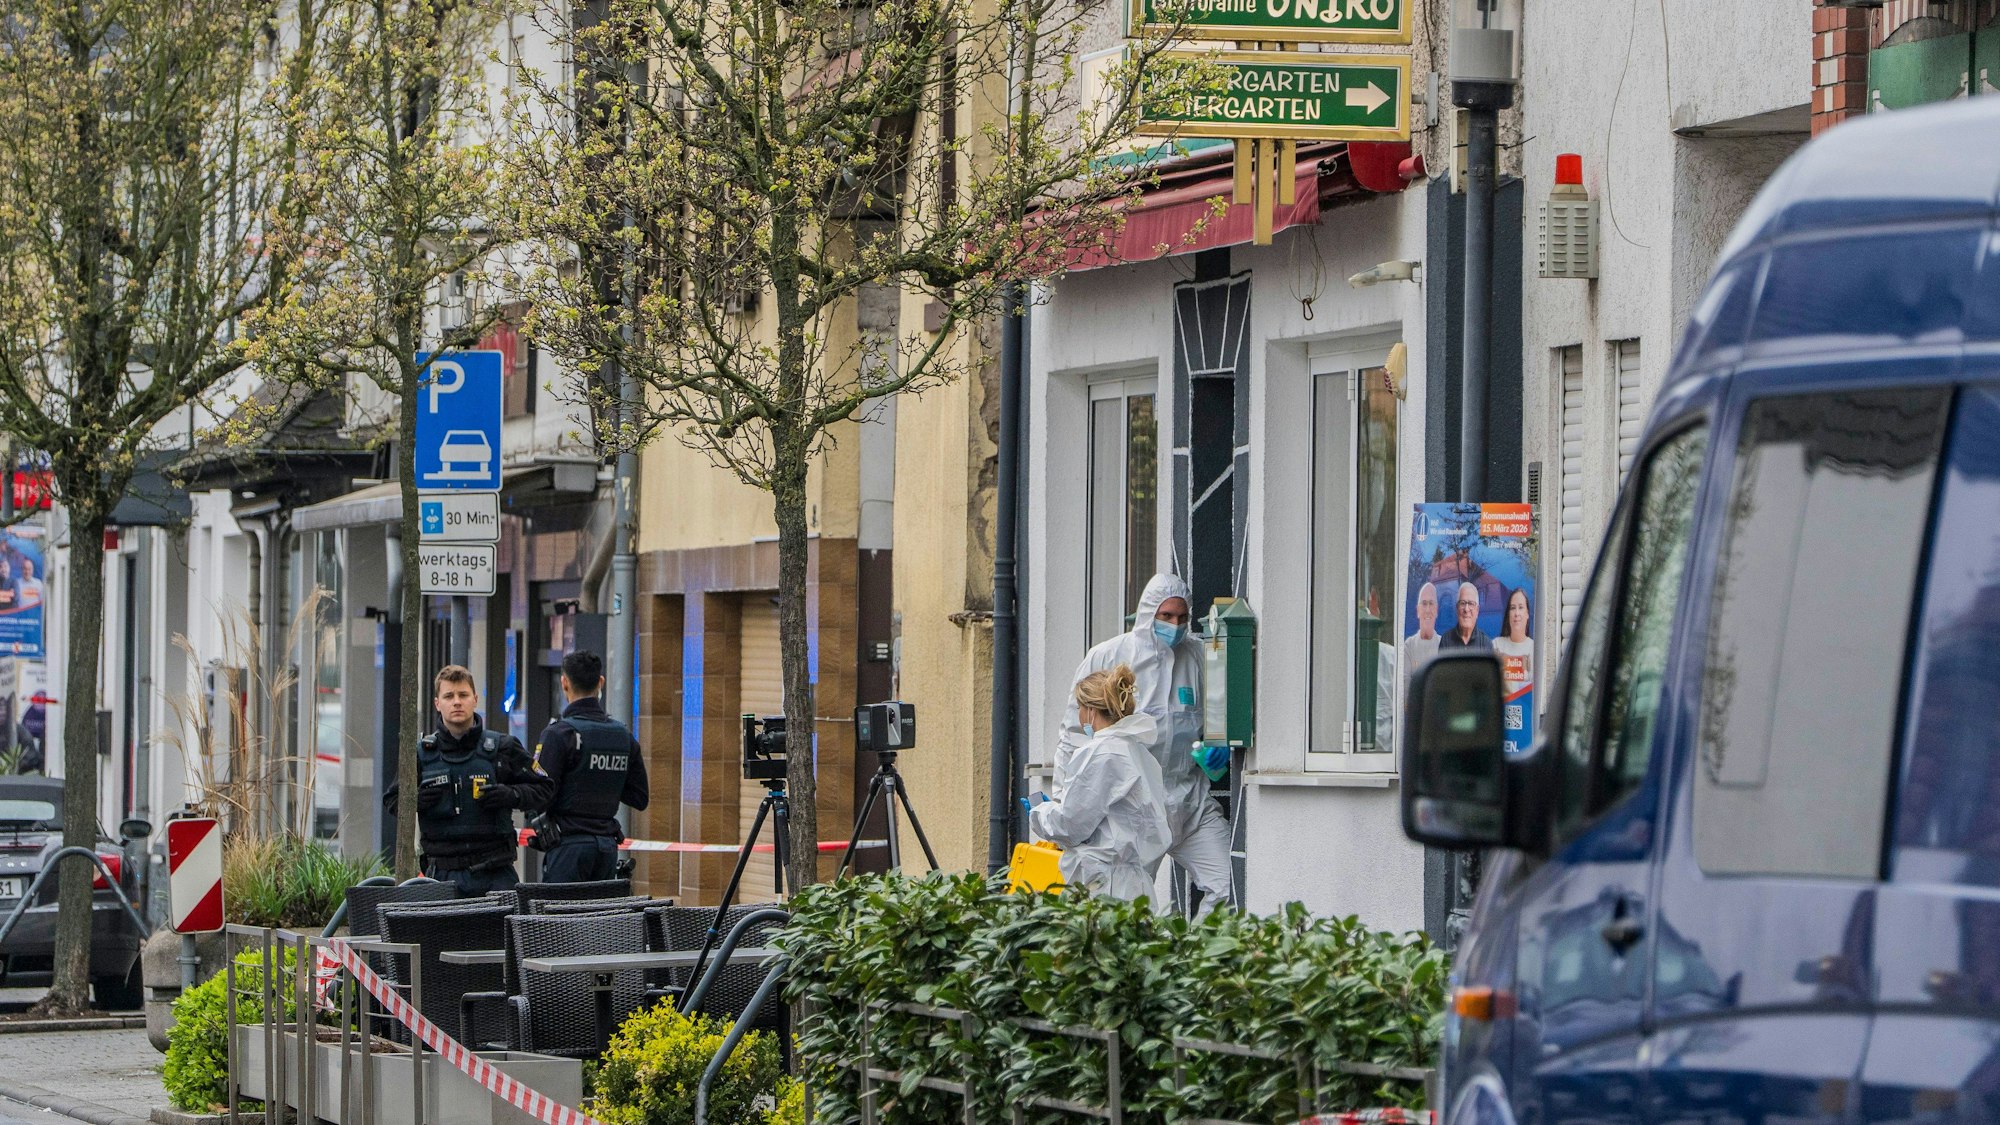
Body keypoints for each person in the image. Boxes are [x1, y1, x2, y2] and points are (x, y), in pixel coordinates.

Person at [1058, 573, 1232, 914]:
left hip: (1188, 802)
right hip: (1132, 810)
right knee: (1126, 909)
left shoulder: (1199, 657)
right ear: (1147, 613)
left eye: (1182, 617)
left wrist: (1219, 748)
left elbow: (1217, 716)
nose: (1175, 625)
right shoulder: (1110, 656)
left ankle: (1196, 962)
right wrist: (1067, 802)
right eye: (1166, 616)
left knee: (1228, 884)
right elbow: (1074, 734)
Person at [384, 665, 548, 894]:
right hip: (441, 876)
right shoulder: (421, 754)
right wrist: (416, 800)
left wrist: (511, 795)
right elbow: (392, 800)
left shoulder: (504, 748)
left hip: (495, 874)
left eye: (463, 695)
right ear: (437, 703)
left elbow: (544, 789)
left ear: (475, 699)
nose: (457, 702)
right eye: (449, 696)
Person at [1025, 665, 1172, 900]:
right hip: (1135, 882)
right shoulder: (1139, 753)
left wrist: (1040, 812)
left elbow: (1071, 825)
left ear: (1091, 711)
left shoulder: (1101, 753)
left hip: (1104, 884)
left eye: (1079, 708)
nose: (1079, 716)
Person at [530, 649, 649, 882]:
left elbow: (540, 795)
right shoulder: (622, 736)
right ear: (600, 682)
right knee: (599, 917)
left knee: (558, 918)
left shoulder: (559, 734)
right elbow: (639, 798)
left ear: (564, 683)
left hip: (568, 848)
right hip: (606, 849)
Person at [1492, 587, 1534, 700]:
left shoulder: (1534, 648)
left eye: (1521, 608)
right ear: (1508, 614)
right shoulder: (1496, 644)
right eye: (1512, 608)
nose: (1516, 613)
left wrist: (1503, 660)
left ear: (1527, 614)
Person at [1401, 581, 1442, 685]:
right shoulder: (1409, 646)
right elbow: (1405, 687)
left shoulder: (1445, 645)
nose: (1428, 609)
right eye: (1424, 603)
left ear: (1436, 610)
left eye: (1431, 603)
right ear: (1418, 610)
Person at [1439, 581, 1491, 650]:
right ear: (1457, 608)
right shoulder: (1446, 641)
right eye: (1462, 603)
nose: (1466, 609)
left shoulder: (1486, 644)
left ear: (1477, 611)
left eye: (1471, 603)